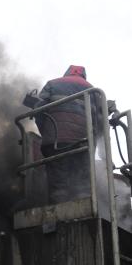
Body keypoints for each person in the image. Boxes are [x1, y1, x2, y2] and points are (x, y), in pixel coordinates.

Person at [34, 65, 98, 204]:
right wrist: (91, 148)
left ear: (66, 73)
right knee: (82, 185)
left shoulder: (53, 84)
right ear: (83, 76)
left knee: (58, 184)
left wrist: (46, 134)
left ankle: (58, 218)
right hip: (82, 143)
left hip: (54, 142)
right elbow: (97, 123)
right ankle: (84, 215)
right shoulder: (94, 91)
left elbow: (38, 111)